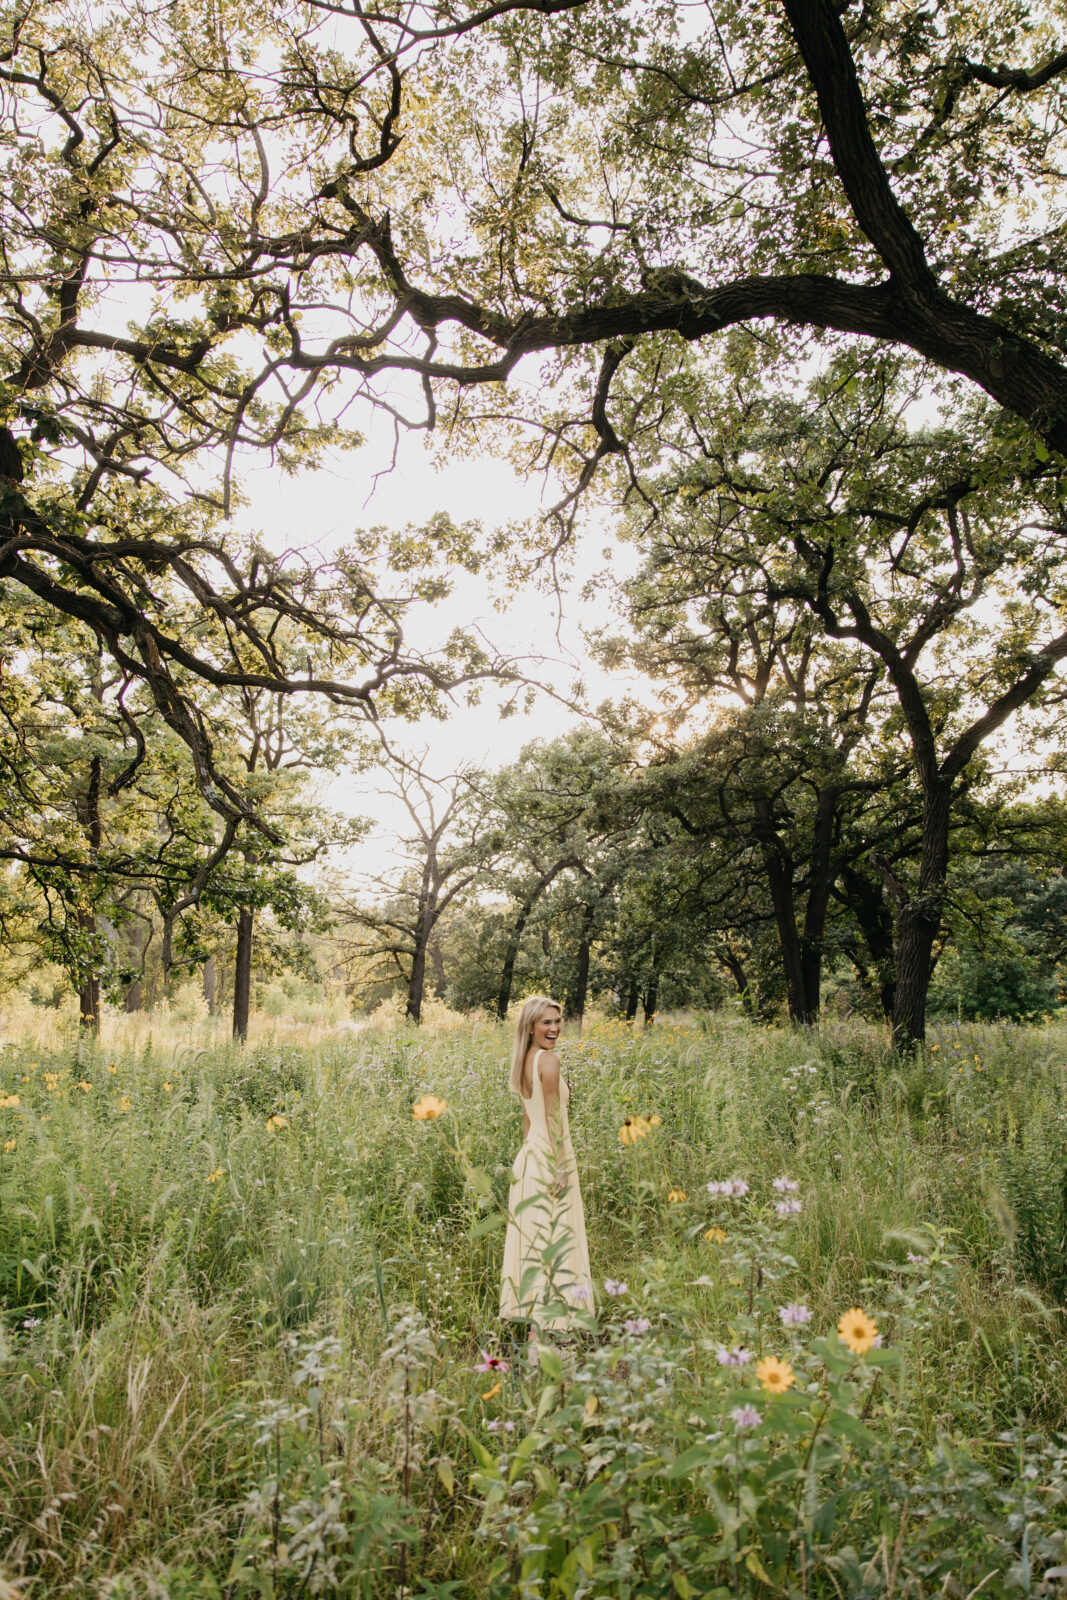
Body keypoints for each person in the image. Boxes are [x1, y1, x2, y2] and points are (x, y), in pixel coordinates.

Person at [499, 994, 593, 1359]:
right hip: (552, 1160)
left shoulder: (523, 1061)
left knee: (538, 1246)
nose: (554, 1029)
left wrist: (534, 1161)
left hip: (529, 1160)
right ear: (531, 1027)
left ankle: (540, 1339)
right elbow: (552, 1117)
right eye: (546, 1023)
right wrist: (560, 1168)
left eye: (557, 1022)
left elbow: (528, 1121)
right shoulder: (549, 1061)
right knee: (557, 1244)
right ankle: (553, 1341)